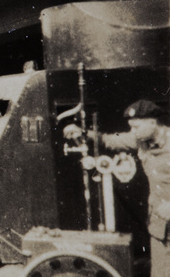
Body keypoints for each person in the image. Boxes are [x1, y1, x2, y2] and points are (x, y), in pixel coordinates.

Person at [64, 100, 170, 277]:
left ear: (153, 122)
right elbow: (109, 140)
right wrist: (83, 132)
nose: (132, 132)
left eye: (136, 127)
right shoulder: (141, 140)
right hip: (159, 227)